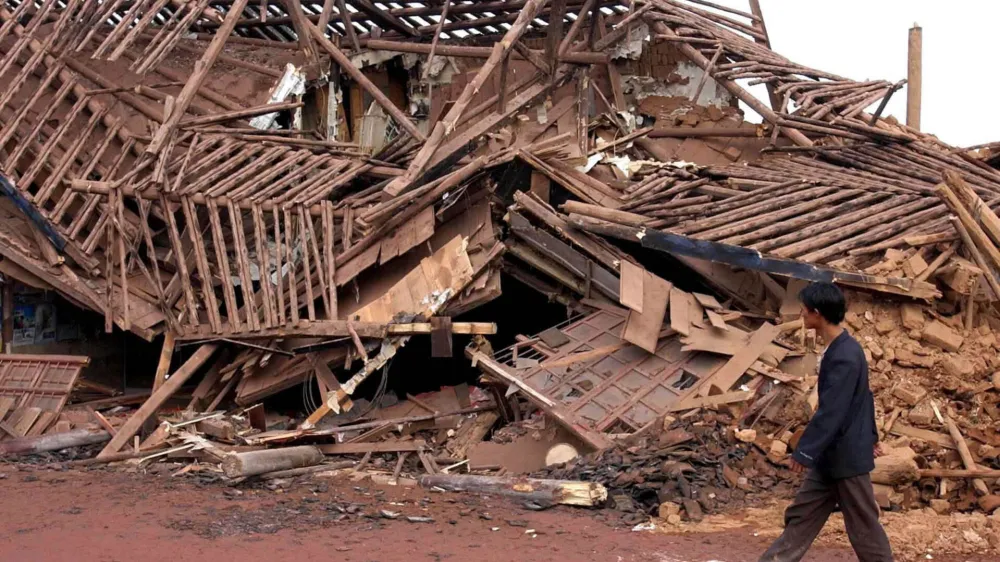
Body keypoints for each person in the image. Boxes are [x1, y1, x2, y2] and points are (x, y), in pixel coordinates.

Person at [759, 282, 894, 562]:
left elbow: (833, 410)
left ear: (817, 314)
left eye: (805, 310)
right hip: (831, 456)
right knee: (802, 516)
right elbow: (864, 397)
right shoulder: (840, 348)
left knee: (863, 525)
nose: (802, 314)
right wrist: (871, 437)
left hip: (845, 457)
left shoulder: (845, 355)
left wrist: (805, 451)